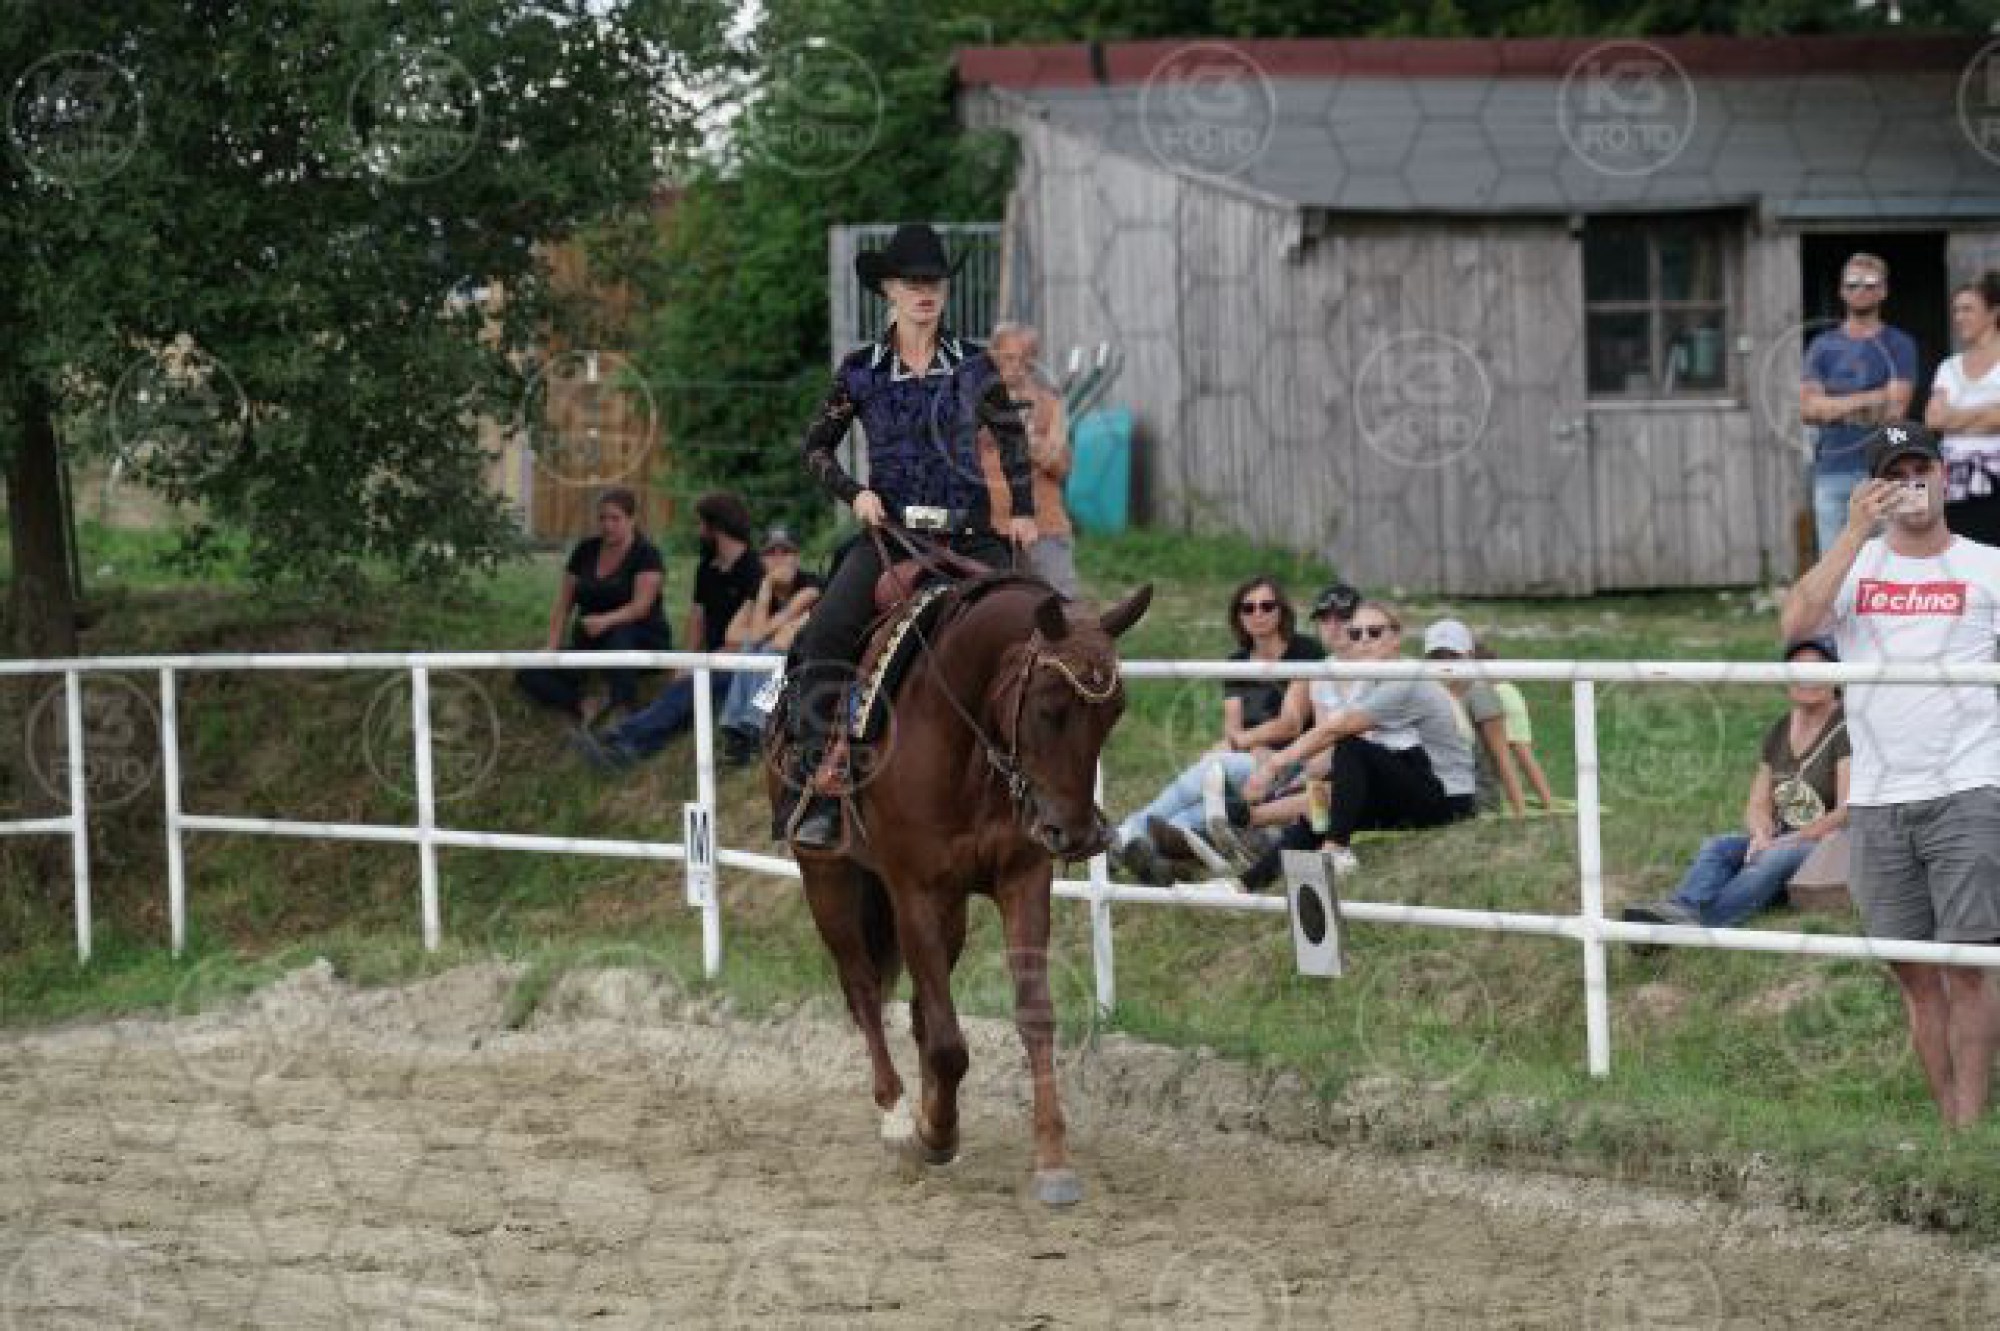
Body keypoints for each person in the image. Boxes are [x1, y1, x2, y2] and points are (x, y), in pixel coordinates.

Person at [786, 223, 1038, 847]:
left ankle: (1039, 782)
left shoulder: (976, 365)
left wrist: (1023, 511)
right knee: (827, 631)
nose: (925, 293)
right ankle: (820, 784)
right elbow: (815, 447)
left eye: (935, 282)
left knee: (1038, 627)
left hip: (971, 535)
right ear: (889, 291)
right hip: (892, 536)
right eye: (912, 283)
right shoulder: (861, 371)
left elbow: (1011, 438)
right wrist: (855, 493)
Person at [1781, 420, 2000, 1127]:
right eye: (1894, 475)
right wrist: (1852, 533)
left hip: (1968, 788)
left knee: (1970, 966)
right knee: (1912, 972)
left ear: (1943, 475)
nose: (1911, 485)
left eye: (1920, 470)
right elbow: (1794, 626)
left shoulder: (1987, 565)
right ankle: (1949, 1123)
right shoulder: (1856, 564)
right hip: (1877, 799)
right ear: (1873, 488)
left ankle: (1969, 1125)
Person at [1230, 601, 1477, 890]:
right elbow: (1342, 749)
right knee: (1320, 812)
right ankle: (1244, 886)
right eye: (1356, 634)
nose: (1364, 640)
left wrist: (1272, 766)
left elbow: (1338, 731)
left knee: (1349, 746)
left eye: (1374, 632)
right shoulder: (1373, 679)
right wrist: (1306, 779)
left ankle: (1335, 850)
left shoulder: (1405, 678)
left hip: (1449, 797)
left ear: (1396, 638)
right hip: (1415, 781)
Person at [1106, 576, 1332, 885]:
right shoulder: (1236, 662)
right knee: (1204, 796)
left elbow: (1290, 723)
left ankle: (1126, 836)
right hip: (1251, 758)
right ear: (1239, 616)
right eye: (1248, 608)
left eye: (1267, 606)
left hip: (1292, 760)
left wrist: (1245, 743)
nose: (1258, 614)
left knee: (1212, 770)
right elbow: (1232, 727)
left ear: (1281, 611)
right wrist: (1241, 744)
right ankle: (1149, 853)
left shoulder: (1305, 651)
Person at [1623, 639, 1850, 930]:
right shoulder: (1780, 729)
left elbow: (1846, 812)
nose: (1806, 677)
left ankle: (1692, 927)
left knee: (1773, 859)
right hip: (1781, 839)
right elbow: (1757, 803)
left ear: (1836, 676)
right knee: (1719, 846)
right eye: (1797, 669)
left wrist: (1788, 841)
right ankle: (1683, 908)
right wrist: (1761, 834)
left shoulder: (1846, 727)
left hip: (1826, 845)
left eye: (1817, 669)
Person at [571, 492, 765, 769]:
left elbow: (757, 632)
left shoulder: (754, 570)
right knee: (685, 697)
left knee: (687, 691)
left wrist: (706, 661)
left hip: (743, 663)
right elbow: (697, 617)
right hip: (712, 659)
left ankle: (620, 734)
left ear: (716, 527)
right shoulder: (706, 567)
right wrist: (686, 659)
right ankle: (626, 753)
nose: (698, 531)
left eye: (701, 524)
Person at [515, 486, 669, 727]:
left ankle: (623, 710)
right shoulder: (585, 550)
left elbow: (640, 607)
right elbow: (563, 604)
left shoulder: (646, 554)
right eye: (602, 518)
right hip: (590, 641)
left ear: (632, 520)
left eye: (615, 519)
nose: (607, 525)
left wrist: (605, 621)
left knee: (619, 636)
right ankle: (582, 704)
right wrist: (552, 645)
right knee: (529, 671)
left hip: (639, 637)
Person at [1802, 253, 1919, 556]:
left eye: (1869, 284)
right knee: (1835, 566)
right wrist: (1874, 396)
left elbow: (1895, 411)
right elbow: (1809, 410)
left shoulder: (1900, 344)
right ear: (1841, 290)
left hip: (1886, 471)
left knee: (1890, 565)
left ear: (1883, 290)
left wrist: (1832, 406)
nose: (1860, 290)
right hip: (1831, 471)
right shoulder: (1822, 346)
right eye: (1852, 284)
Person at [983, 322, 1079, 598]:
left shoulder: (1049, 405)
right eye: (1008, 358)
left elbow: (1062, 468)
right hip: (989, 530)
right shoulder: (973, 404)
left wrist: (1029, 441)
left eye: (1025, 359)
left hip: (1043, 526)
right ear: (993, 357)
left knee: (1060, 608)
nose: (1016, 366)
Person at [717, 526, 823, 766]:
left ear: (797, 557)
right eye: (771, 553)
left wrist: (765, 629)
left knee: (766, 649)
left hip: (808, 658)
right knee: (752, 648)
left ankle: (756, 724)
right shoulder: (760, 588)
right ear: (761, 560)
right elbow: (732, 635)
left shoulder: (810, 585)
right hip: (778, 655)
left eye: (786, 551)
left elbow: (760, 634)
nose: (779, 558)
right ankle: (737, 730)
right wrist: (765, 587)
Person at [1424, 619, 1525, 817]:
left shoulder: (1479, 693)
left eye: (1453, 655)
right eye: (1437, 656)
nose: (1445, 662)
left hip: (1475, 798)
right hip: (1437, 788)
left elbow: (1503, 757)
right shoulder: (1427, 691)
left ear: (1469, 655)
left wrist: (1519, 812)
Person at [1927, 271, 2000, 545]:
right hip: (1955, 484)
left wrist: (1954, 417)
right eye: (1956, 310)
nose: (1959, 317)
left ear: (1993, 313)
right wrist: (1989, 410)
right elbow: (1934, 420)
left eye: (1968, 309)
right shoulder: (1948, 367)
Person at [1475, 641, 1558, 810]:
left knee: (1505, 756)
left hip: (1497, 696)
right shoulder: (1508, 688)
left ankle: (1522, 805)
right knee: (1524, 754)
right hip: (1511, 694)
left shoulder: (1487, 688)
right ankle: (1547, 800)